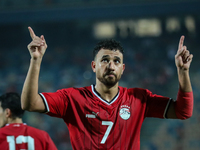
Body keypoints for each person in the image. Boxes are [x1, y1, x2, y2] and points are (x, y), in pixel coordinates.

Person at [21, 26, 193, 150]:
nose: (111, 65)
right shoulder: (73, 98)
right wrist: (35, 60)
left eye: (116, 61)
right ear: (94, 66)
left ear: (123, 68)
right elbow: (30, 103)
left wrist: (183, 72)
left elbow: (183, 111)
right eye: (104, 60)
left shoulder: (139, 98)